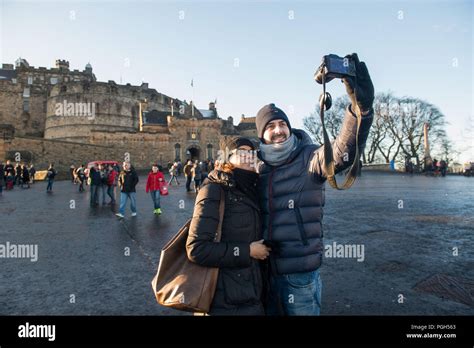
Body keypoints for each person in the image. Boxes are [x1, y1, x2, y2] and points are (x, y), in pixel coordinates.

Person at [256, 53, 374, 316]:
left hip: (299, 274)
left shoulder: (310, 157)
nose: (278, 130)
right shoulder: (255, 166)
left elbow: (344, 151)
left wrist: (360, 110)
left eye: (282, 124)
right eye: (271, 126)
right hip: (262, 272)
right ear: (262, 134)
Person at [186, 137, 271, 315]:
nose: (249, 156)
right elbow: (197, 249)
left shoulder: (253, 188)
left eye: (252, 152)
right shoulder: (214, 190)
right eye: (242, 152)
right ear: (227, 158)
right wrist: (248, 251)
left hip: (252, 292)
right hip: (224, 300)